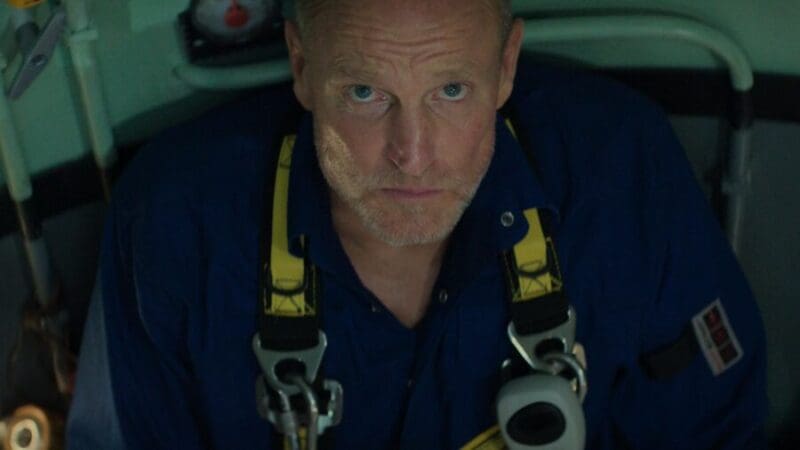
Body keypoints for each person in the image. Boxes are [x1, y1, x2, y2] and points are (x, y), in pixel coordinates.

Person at [66, 0, 768, 448]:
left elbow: (715, 431)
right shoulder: (176, 223)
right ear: (302, 67)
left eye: (451, 91)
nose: (413, 153)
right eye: (366, 92)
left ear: (506, 67)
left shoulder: (619, 173)